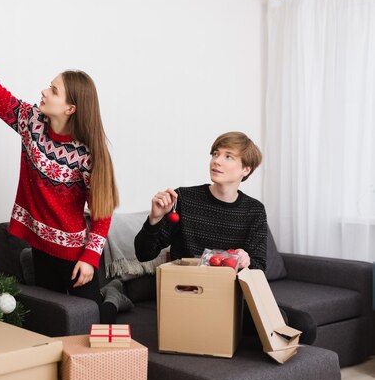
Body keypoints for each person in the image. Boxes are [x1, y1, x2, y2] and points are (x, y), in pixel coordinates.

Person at [0, 17, 132, 323]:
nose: (45, 91)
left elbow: (102, 214)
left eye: (54, 90)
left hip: (75, 255)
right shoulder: (31, 122)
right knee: (50, 324)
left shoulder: (89, 155)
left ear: (70, 108)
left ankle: (114, 297)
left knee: (92, 323)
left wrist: (90, 259)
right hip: (38, 246)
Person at [134, 131, 316, 344]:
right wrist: (154, 219)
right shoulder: (184, 199)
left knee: (305, 325)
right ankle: (219, 340)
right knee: (277, 328)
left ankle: (226, 340)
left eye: (228, 156)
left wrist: (246, 261)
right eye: (215, 154)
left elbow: (259, 268)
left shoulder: (254, 210)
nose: (217, 161)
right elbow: (144, 254)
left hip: (235, 298)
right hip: (193, 295)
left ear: (246, 169)